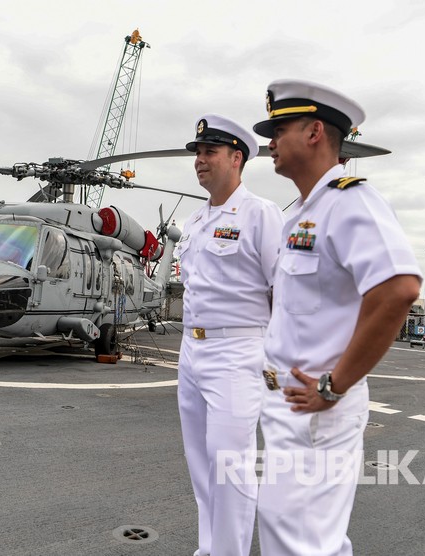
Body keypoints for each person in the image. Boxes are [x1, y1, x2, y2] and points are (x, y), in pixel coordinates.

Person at [252, 79, 423, 555]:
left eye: (278, 128)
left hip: (318, 409)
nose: (270, 141)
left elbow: (399, 289)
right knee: (300, 536)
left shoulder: (351, 200)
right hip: (291, 405)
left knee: (301, 542)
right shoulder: (304, 213)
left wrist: (335, 385)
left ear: (313, 132)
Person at [176, 114, 284, 556]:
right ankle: (211, 549)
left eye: (209, 152)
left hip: (238, 350)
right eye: (198, 153)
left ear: (236, 157)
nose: (200, 160)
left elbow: (284, 291)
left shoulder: (261, 214)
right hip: (191, 350)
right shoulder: (195, 221)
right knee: (201, 464)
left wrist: (275, 359)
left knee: (230, 465)